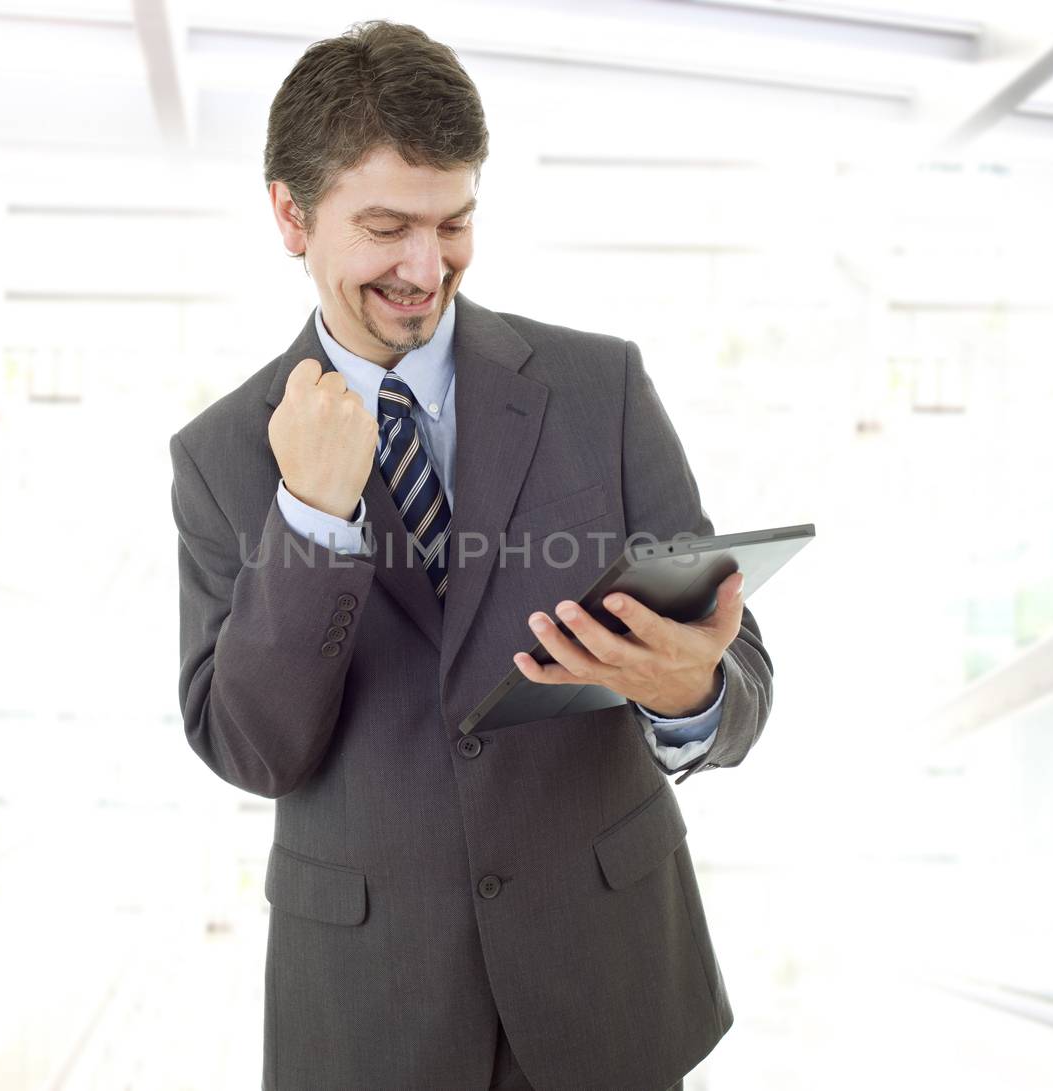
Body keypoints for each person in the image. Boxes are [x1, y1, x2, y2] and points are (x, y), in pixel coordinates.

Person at [168, 21, 775, 1091]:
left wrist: (689, 692)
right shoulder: (221, 456)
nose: (424, 266)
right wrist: (310, 513)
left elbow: (738, 673)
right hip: (373, 1009)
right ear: (288, 215)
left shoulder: (600, 388)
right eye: (387, 226)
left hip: (608, 985)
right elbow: (251, 748)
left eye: (454, 223)